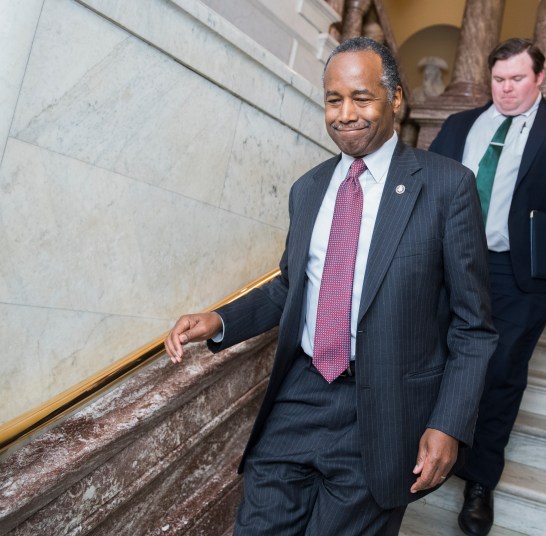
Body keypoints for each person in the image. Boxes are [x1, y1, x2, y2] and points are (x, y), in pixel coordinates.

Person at [164, 37, 497, 536]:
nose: (345, 114)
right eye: (333, 99)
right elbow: (291, 286)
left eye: (361, 98)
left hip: (384, 413)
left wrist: (448, 422)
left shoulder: (447, 187)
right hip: (300, 395)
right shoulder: (309, 189)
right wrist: (221, 319)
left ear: (396, 99)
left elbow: (474, 328)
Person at [430, 38, 546, 536]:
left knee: (502, 372)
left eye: (517, 80)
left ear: (539, 78)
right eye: (498, 80)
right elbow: (425, 187)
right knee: (433, 358)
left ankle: (479, 481)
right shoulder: (460, 125)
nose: (506, 90)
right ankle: (421, 450)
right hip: (450, 264)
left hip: (519, 271)